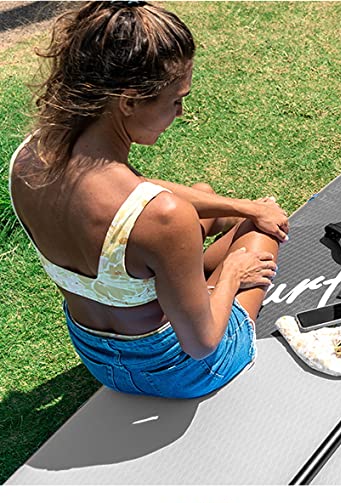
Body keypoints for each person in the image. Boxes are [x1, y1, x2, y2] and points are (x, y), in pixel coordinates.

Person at [8, 0, 289, 399]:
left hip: (98, 358)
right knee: (260, 233)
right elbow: (201, 343)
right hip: (182, 371)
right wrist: (233, 275)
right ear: (129, 100)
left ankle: (200, 260)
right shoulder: (161, 215)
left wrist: (242, 204)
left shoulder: (29, 159)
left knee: (209, 200)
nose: (180, 111)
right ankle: (212, 272)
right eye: (175, 100)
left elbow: (131, 196)